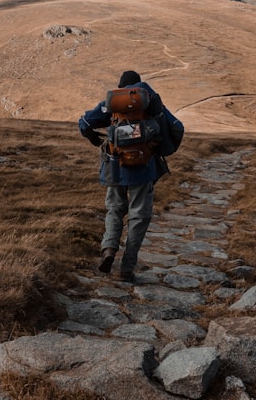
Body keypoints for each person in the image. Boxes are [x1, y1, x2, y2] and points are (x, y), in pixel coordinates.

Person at [78, 70, 183, 282]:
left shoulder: (113, 103)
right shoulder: (152, 101)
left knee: (115, 209)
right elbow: (177, 128)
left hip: (116, 165)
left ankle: (108, 250)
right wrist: (162, 148)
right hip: (144, 168)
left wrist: (93, 137)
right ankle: (127, 267)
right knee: (139, 217)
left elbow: (85, 123)